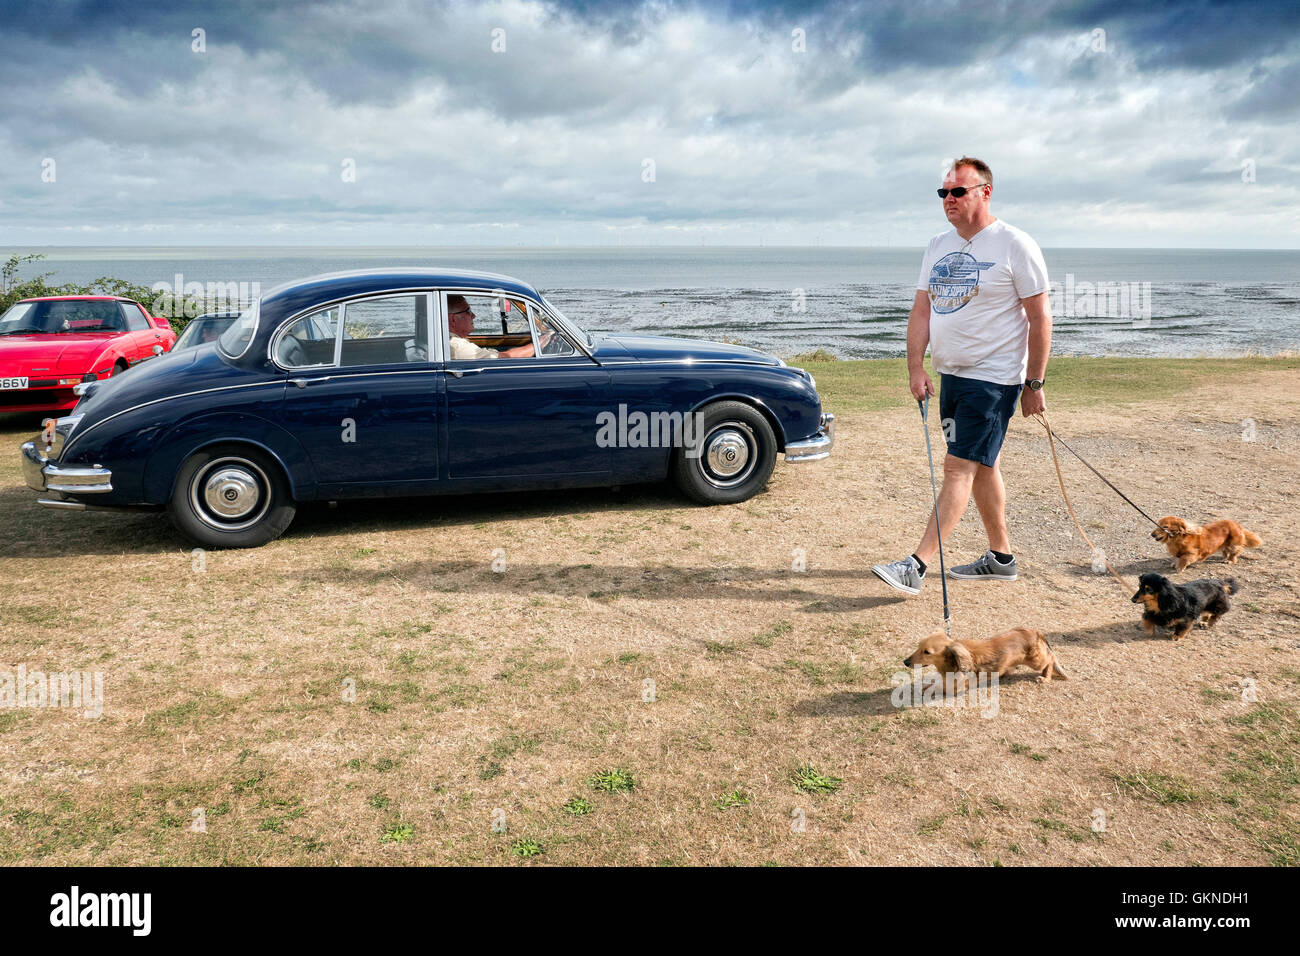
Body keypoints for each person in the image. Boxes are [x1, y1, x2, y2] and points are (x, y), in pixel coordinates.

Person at [872, 156, 1052, 595]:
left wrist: (1034, 383)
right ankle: (1001, 558)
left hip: (993, 381)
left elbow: (1040, 317)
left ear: (985, 192)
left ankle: (917, 565)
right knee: (981, 466)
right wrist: (916, 366)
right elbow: (922, 309)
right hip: (951, 376)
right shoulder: (937, 246)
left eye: (958, 191)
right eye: (944, 192)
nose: (948, 199)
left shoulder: (1014, 244)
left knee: (958, 468)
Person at [447, 294, 551, 359]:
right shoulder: (456, 347)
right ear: (453, 319)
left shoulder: (451, 342)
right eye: (468, 312)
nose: (474, 316)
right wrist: (539, 344)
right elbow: (506, 357)